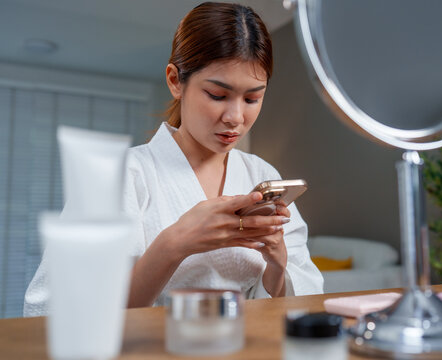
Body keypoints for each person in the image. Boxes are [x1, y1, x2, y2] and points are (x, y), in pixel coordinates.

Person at [24, 1, 323, 316]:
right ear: (175, 81)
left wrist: (277, 265)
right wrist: (173, 244)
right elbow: (58, 313)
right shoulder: (120, 176)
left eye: (252, 98)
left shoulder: (260, 174)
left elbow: (304, 299)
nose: (236, 117)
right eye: (218, 95)